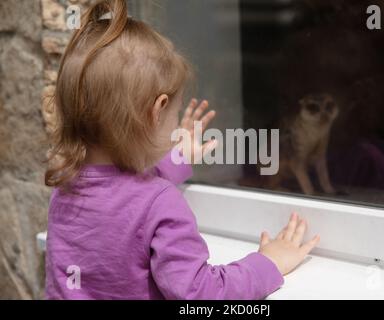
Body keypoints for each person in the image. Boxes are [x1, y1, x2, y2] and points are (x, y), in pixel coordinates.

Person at [45, 0, 320, 299]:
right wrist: (267, 264)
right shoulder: (162, 203)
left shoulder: (66, 185)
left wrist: (178, 156)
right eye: (174, 112)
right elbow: (200, 293)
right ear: (158, 109)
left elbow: (122, 194)